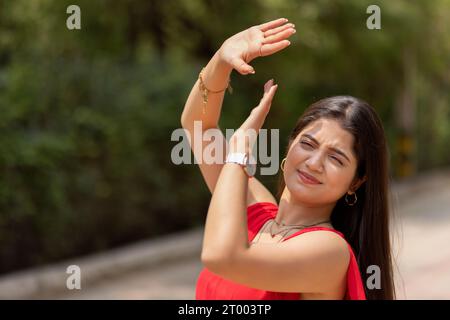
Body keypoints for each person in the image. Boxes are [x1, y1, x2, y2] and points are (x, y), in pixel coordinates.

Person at [181, 18, 395, 300]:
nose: (314, 162)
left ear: (356, 181)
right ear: (290, 144)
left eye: (336, 158)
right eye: (308, 143)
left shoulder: (330, 251)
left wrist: (238, 152)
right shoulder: (256, 213)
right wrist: (221, 59)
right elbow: (199, 126)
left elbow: (222, 256)